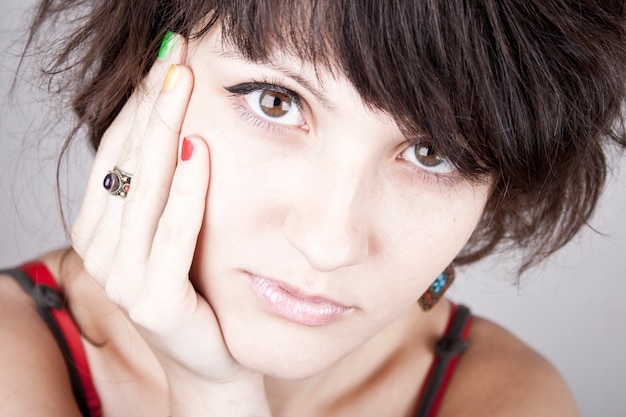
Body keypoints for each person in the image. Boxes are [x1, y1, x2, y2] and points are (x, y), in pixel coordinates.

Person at [1, 0, 624, 415]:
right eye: (275, 101)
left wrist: (215, 395)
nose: (329, 244)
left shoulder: (503, 397)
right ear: (148, 72)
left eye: (433, 153)